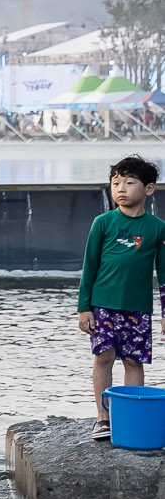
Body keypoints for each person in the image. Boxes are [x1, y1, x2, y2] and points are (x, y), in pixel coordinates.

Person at [78, 156, 165, 442]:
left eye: (129, 182)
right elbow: (89, 267)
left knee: (133, 362)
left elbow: (163, 273)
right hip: (103, 306)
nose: (121, 189)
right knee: (103, 357)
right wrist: (84, 308)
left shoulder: (156, 228)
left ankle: (130, 417)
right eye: (116, 183)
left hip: (138, 309)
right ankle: (103, 418)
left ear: (149, 189)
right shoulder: (103, 223)